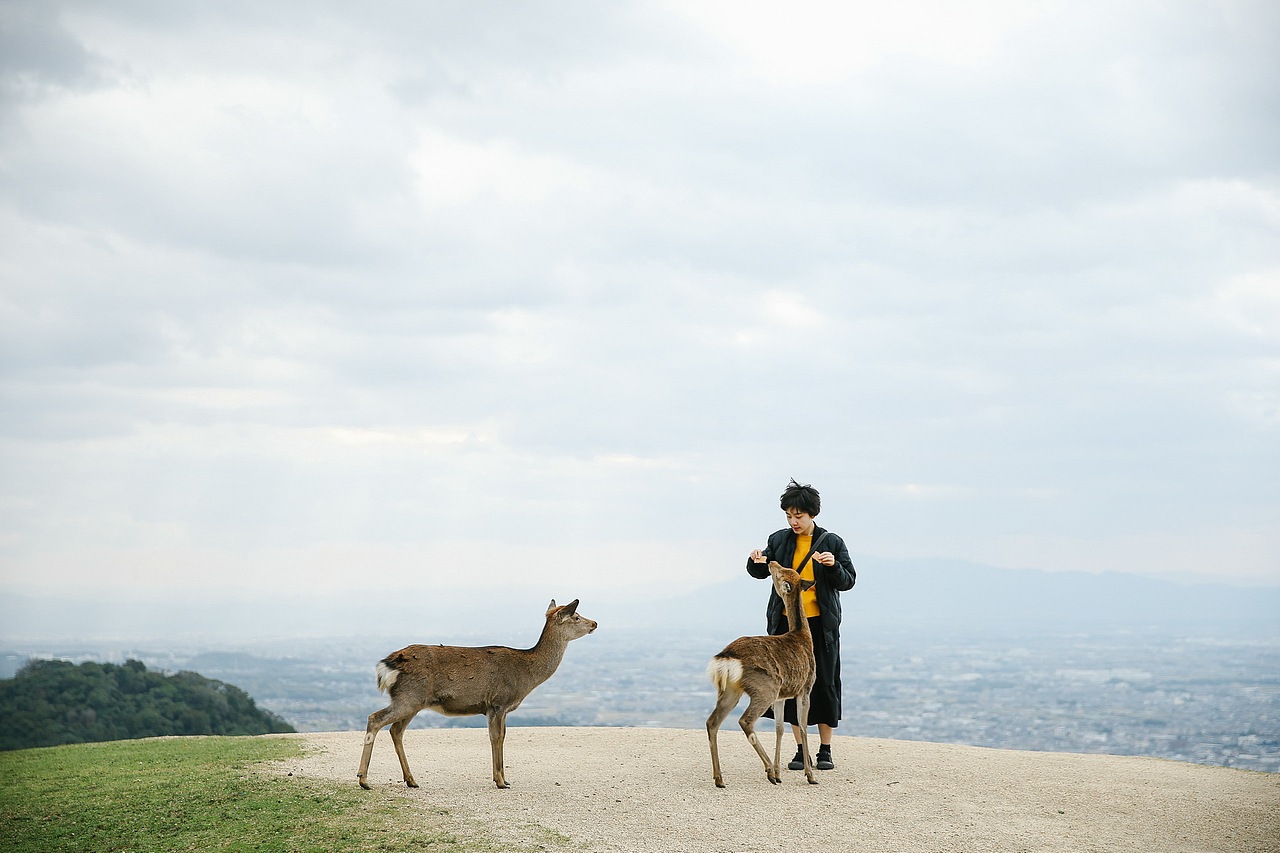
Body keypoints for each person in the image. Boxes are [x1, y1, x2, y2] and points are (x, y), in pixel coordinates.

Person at [747, 478, 856, 770]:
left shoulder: (832, 542)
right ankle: (800, 749)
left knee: (824, 684)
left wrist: (833, 566)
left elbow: (848, 581)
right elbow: (762, 573)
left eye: (799, 516)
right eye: (789, 516)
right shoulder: (779, 540)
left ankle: (825, 749)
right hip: (786, 626)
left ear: (812, 515)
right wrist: (755, 561)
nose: (794, 521)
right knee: (790, 684)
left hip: (820, 626)